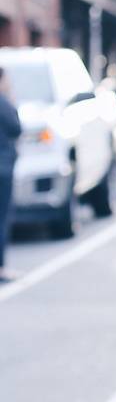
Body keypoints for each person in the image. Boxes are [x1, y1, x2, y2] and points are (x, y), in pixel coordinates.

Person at [0, 66, 22, 284]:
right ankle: (1, 267)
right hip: (3, 169)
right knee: (1, 217)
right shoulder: (3, 103)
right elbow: (16, 128)